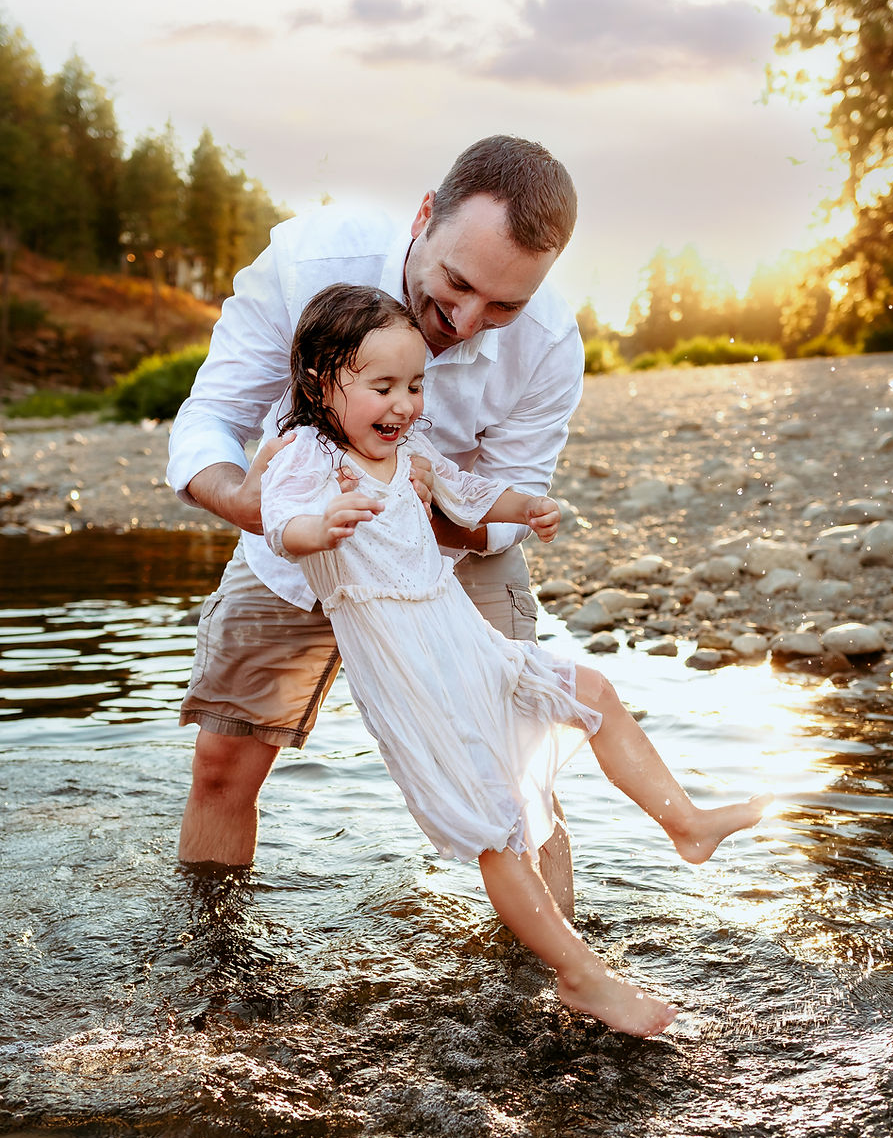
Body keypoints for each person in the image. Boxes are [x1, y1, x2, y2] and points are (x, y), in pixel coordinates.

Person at [259, 283, 768, 1038]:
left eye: (415, 385)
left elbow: (468, 494)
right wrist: (320, 524)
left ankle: (685, 823)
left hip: (466, 644)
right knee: (497, 829)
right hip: (410, 675)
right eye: (382, 387)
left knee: (591, 689)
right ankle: (582, 976)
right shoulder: (308, 456)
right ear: (319, 381)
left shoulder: (408, 455)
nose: (404, 404)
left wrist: (525, 506)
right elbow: (279, 525)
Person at [168, 136, 584, 913]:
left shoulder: (551, 344)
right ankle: (210, 972)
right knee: (222, 765)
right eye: (456, 284)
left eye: (504, 305)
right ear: (425, 215)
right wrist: (248, 505)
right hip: (291, 546)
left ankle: (557, 992)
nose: (464, 321)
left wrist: (431, 518)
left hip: (449, 559)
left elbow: (512, 501)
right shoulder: (308, 259)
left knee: (520, 777)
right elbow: (214, 417)